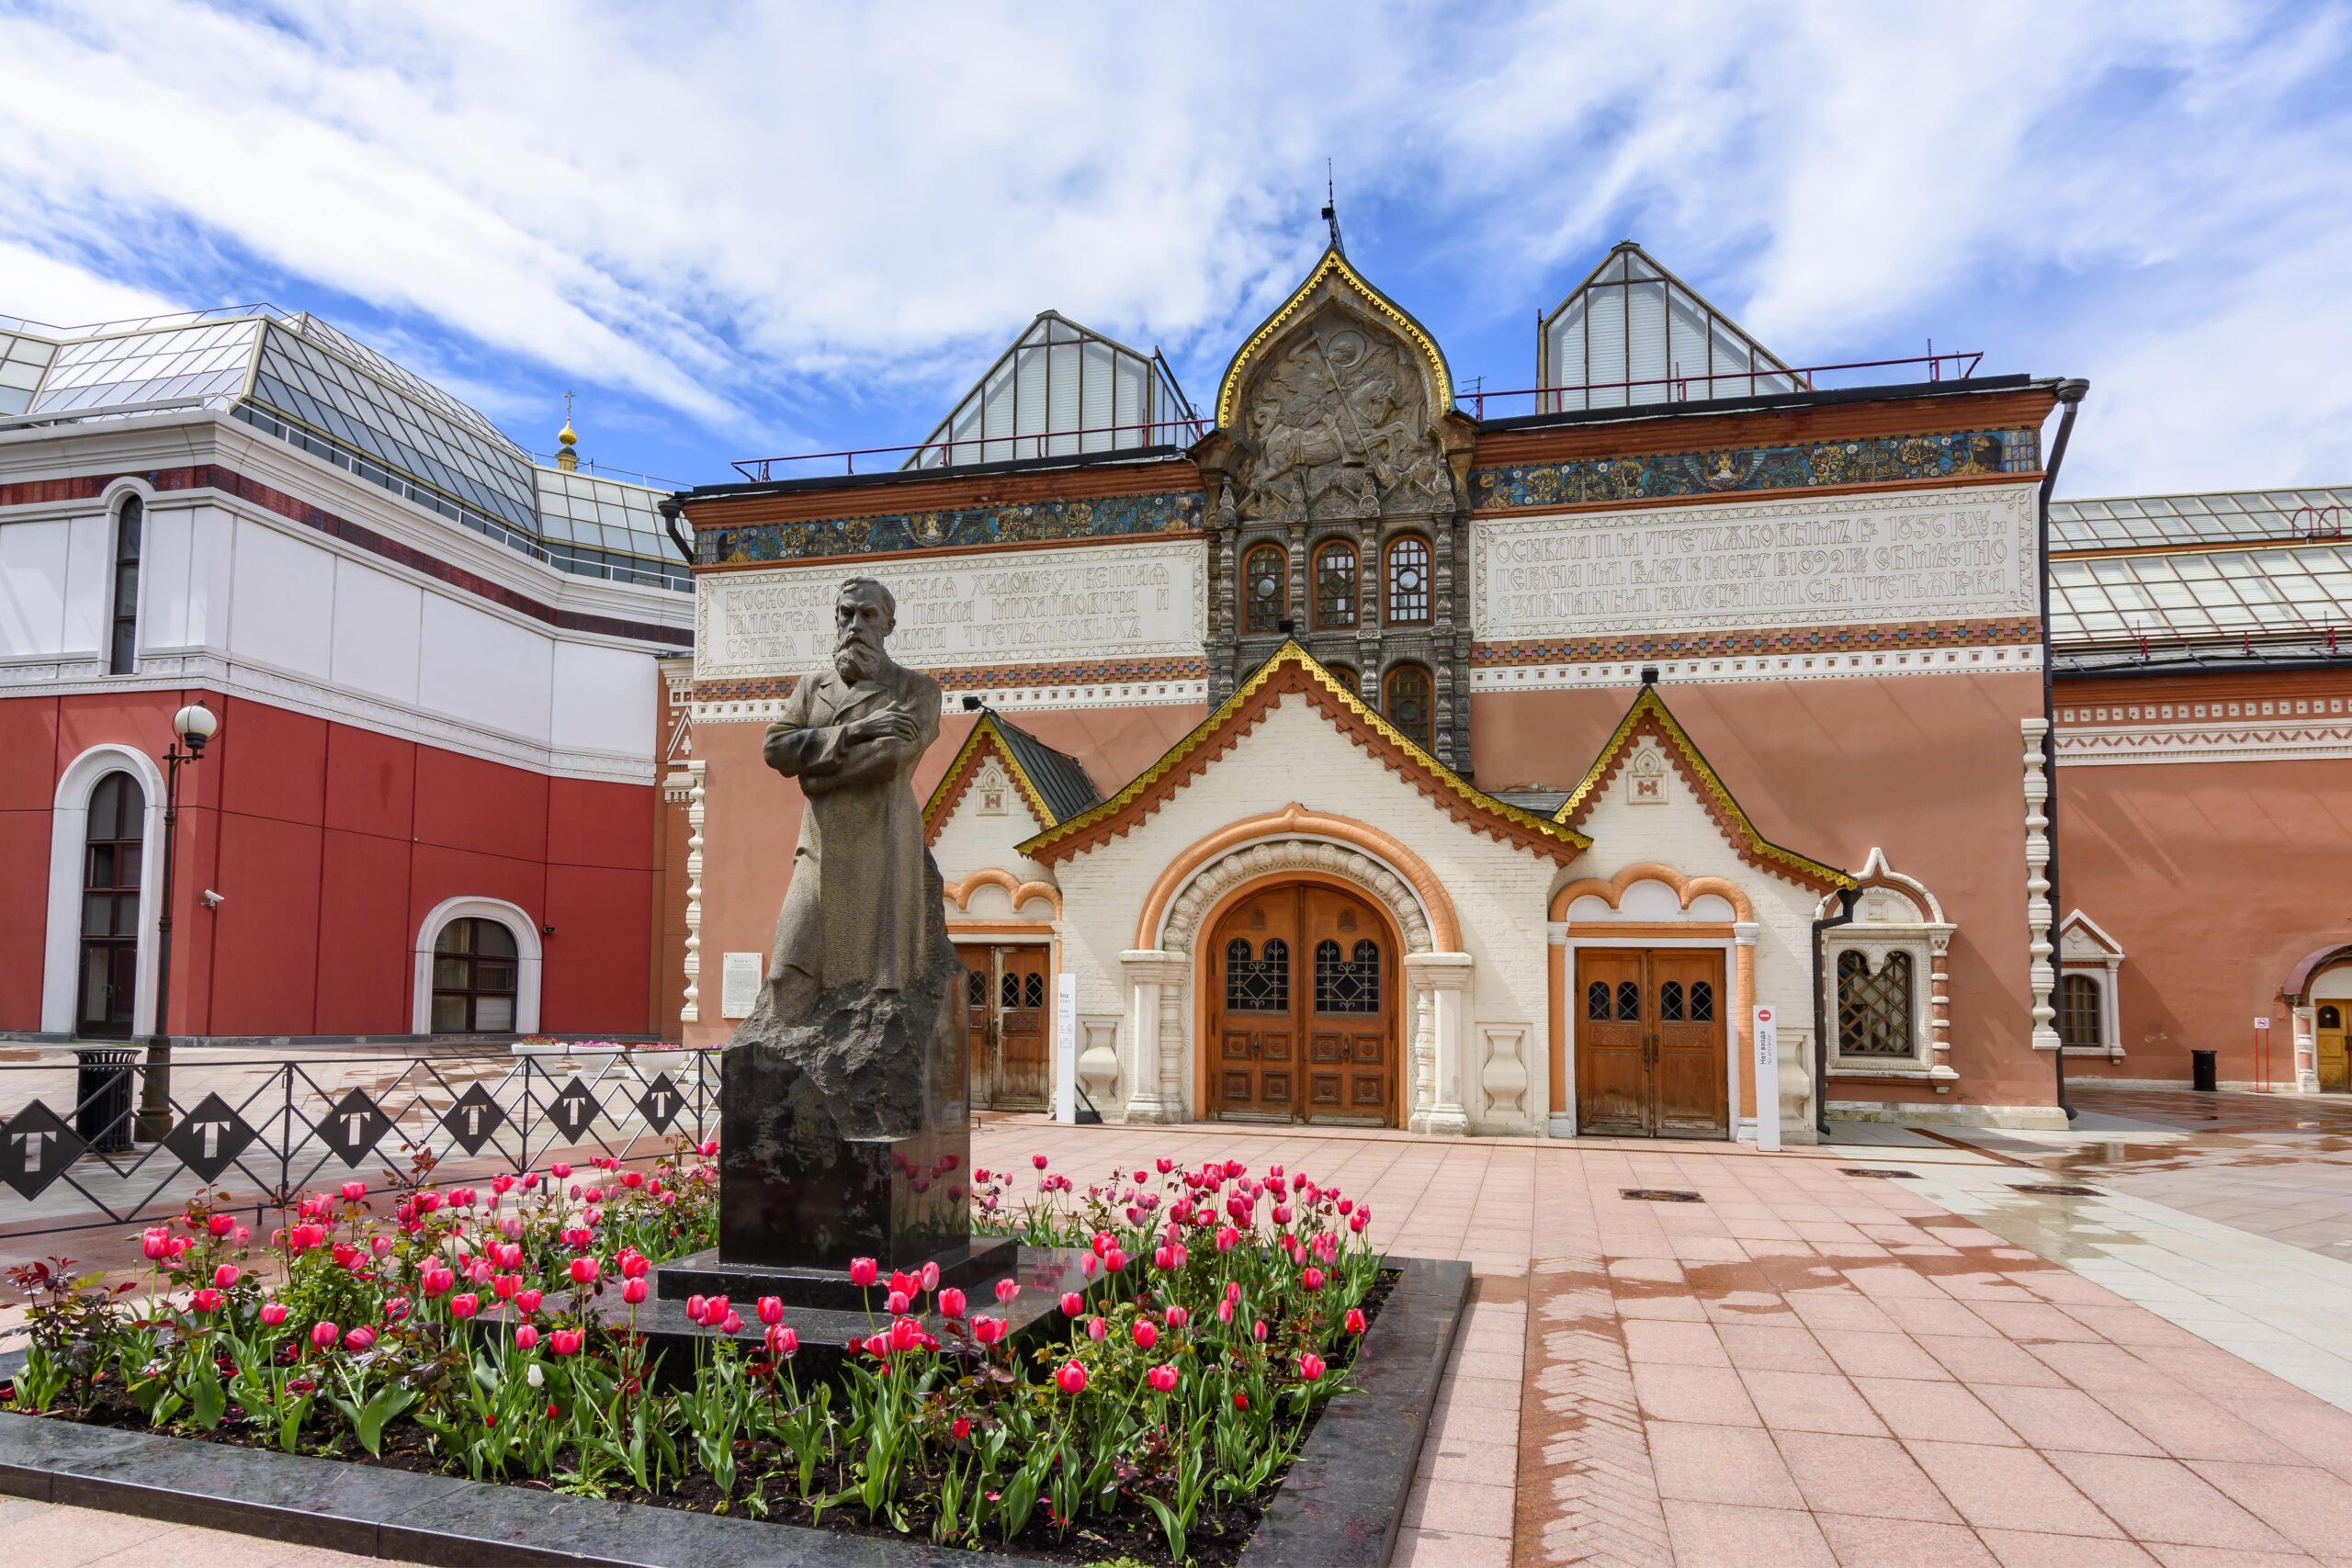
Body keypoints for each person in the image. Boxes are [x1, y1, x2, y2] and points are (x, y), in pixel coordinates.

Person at [759, 577, 943, 1020]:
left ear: (888, 624)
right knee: (787, 968)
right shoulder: (811, 686)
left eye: (868, 614)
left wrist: (814, 778)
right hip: (820, 846)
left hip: (880, 845)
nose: (854, 624)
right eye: (846, 613)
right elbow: (774, 749)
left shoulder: (916, 690)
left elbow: (891, 758)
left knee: (872, 989)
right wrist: (857, 730)